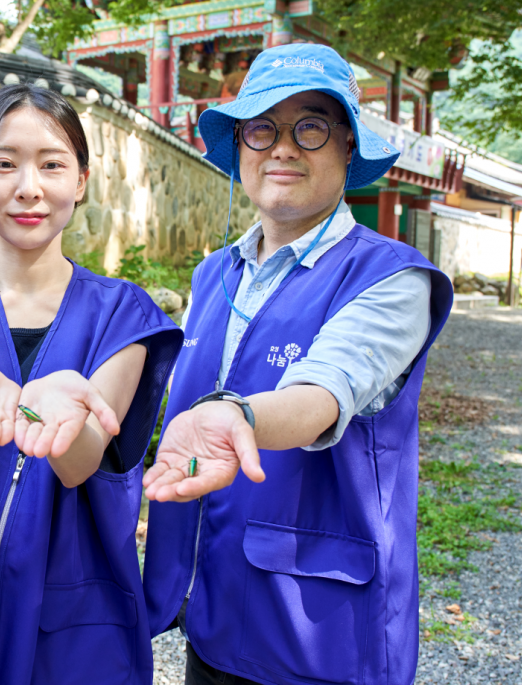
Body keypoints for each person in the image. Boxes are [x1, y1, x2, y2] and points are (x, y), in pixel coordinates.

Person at [141, 43, 453, 685]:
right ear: (242, 148)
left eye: (310, 127)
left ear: (345, 147)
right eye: (262, 128)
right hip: (211, 612)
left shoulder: (393, 279)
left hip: (319, 631)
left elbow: (324, 391)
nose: (282, 148)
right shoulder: (213, 273)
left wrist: (238, 416)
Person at [0, 84, 183, 685]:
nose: (29, 187)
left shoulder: (125, 316)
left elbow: (81, 462)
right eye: (3, 163)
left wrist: (43, 409)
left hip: (72, 604)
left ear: (82, 180)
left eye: (51, 164)